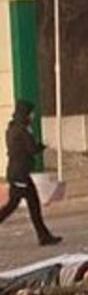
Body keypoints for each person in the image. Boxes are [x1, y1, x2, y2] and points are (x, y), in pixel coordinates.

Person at [0, 102, 60, 245]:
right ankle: (44, 237)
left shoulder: (13, 128)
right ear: (26, 114)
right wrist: (42, 145)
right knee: (12, 206)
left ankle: (44, 237)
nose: (33, 116)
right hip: (20, 174)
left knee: (33, 205)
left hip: (19, 173)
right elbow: (31, 149)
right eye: (31, 113)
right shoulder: (22, 129)